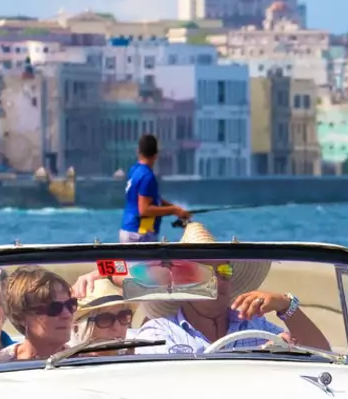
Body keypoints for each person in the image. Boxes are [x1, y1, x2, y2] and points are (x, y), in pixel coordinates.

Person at [134, 222, 330, 354]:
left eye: (225, 271)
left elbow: (323, 354)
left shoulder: (254, 325)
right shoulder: (159, 334)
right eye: (204, 272)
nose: (218, 281)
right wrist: (258, 358)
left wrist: (285, 305)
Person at [0, 266, 78, 363]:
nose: (67, 314)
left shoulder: (82, 361)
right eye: (54, 308)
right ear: (20, 317)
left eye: (70, 305)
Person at [121, 134, 191, 244]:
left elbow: (154, 200)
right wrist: (173, 210)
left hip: (128, 230)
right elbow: (144, 209)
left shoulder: (134, 170)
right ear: (156, 154)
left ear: (138, 151)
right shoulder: (147, 176)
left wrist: (177, 210)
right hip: (139, 234)